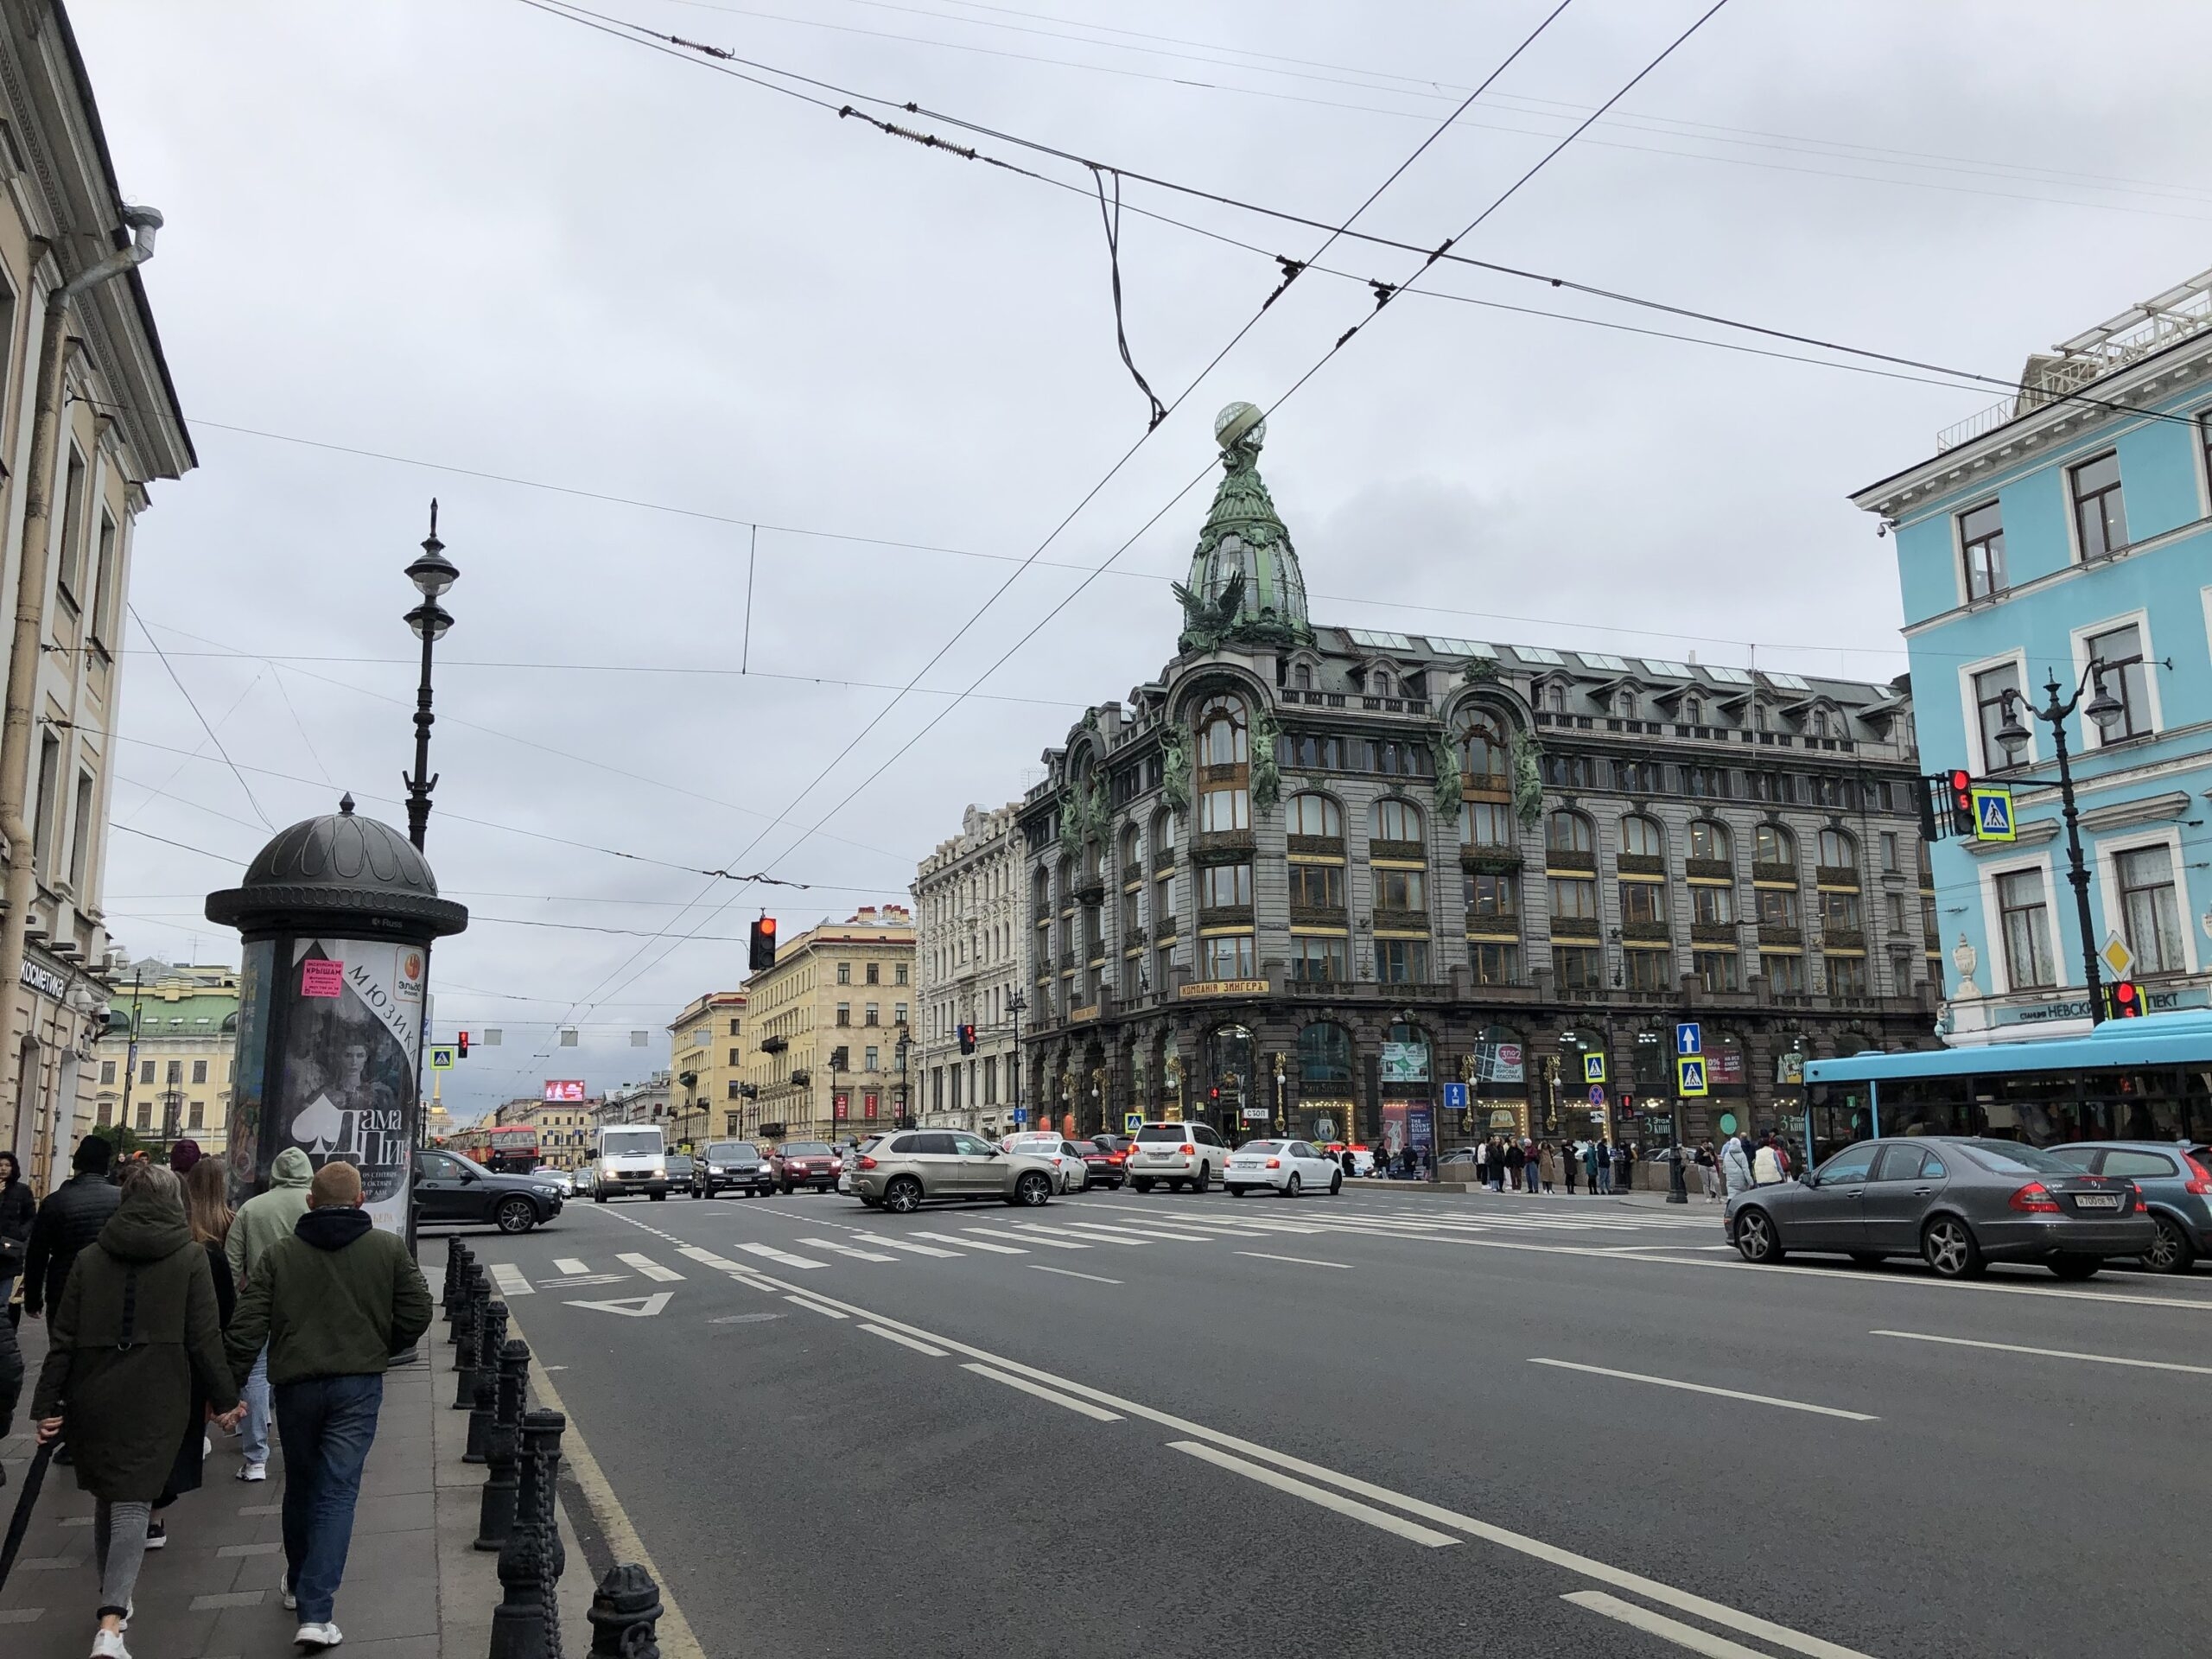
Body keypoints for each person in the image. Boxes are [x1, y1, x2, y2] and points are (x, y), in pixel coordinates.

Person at [31, 1161, 243, 1659]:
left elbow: (64, 1338)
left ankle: (116, 1599)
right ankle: (111, 1623)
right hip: (158, 1392)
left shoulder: (89, 1258)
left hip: (93, 1390)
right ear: (176, 1204)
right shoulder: (190, 1257)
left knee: (111, 1496)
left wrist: (46, 1403)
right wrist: (226, 1398)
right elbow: (204, 1337)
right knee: (131, 1501)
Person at [226, 1159, 434, 1651]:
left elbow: (246, 1329)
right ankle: (317, 1614)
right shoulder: (386, 1248)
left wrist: (227, 1391)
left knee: (300, 1483)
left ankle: (299, 1585)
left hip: (295, 1387)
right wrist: (382, 1345)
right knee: (337, 1490)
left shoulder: (280, 1255)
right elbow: (419, 1310)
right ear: (361, 1201)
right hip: (357, 1386)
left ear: (311, 1202)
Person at [226, 1147, 314, 1483]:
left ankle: (256, 1457)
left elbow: (233, 1260)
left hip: (260, 1304)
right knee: (303, 1374)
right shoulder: (313, 1204)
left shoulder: (251, 1208)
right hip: (305, 1305)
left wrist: (240, 1299)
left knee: (257, 1377)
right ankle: (301, 1449)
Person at [0, 1148, 34, 1324]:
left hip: (11, 1254)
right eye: (0, 1165)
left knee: (6, 1302)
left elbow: (30, 1217)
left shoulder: (22, 1191)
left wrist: (21, 1235)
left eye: (7, 1165)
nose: (3, 1169)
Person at [1721, 1130, 1755, 1197]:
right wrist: (1751, 1182)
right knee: (1742, 1198)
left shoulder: (1727, 1155)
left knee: (1731, 1197)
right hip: (1741, 1181)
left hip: (1730, 1181)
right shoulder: (1742, 1155)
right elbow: (1746, 1170)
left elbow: (1724, 1170)